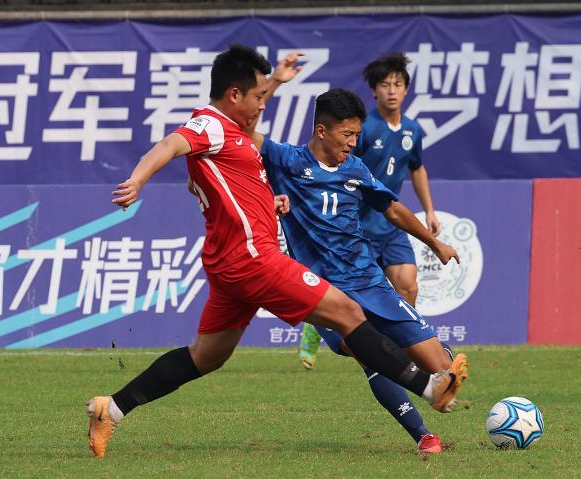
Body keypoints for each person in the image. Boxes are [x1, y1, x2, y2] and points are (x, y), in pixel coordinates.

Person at [86, 44, 468, 458]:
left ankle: (112, 408)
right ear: (235, 95)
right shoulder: (211, 125)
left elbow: (226, 182)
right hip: (253, 258)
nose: (263, 104)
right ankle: (429, 388)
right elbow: (171, 144)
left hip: (228, 264)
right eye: (258, 96)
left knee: (205, 357)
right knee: (348, 314)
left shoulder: (236, 135)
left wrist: (269, 200)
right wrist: (138, 180)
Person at [256, 87, 460, 454]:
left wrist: (436, 244)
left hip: (369, 281)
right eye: (347, 134)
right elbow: (239, 133)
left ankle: (431, 357)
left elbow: (392, 209)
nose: (353, 143)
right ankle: (423, 435)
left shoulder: (355, 168)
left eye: (357, 135)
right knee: (368, 352)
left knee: (442, 367)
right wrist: (273, 83)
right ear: (322, 131)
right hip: (325, 293)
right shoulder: (285, 159)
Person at [300, 52, 444, 371]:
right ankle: (316, 327)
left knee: (408, 285)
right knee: (345, 297)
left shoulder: (412, 130)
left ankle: (401, 350)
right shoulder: (363, 129)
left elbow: (417, 168)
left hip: (391, 225)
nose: (392, 90)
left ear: (406, 89)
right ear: (374, 91)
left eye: (398, 84)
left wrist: (429, 210)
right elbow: (336, 165)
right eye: (385, 85)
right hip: (358, 225)